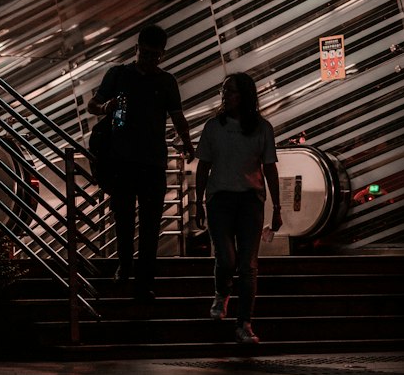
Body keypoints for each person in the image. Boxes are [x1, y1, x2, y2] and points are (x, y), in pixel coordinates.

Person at [88, 23, 194, 301]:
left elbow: (178, 116)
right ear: (137, 49)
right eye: (146, 54)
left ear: (162, 54)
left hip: (145, 162)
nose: (149, 60)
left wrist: (187, 141)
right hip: (129, 161)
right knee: (128, 220)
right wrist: (104, 108)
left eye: (154, 55)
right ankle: (129, 270)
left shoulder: (163, 81)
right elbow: (93, 106)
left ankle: (139, 277)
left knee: (146, 224)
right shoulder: (121, 75)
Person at [194, 72, 283, 345]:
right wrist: (198, 202)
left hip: (249, 200)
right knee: (227, 257)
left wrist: (277, 206)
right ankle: (222, 292)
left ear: (245, 95)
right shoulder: (213, 127)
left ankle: (244, 323)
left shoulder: (261, 128)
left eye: (231, 91)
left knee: (248, 265)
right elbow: (203, 166)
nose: (226, 96)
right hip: (220, 199)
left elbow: (269, 167)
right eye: (224, 91)